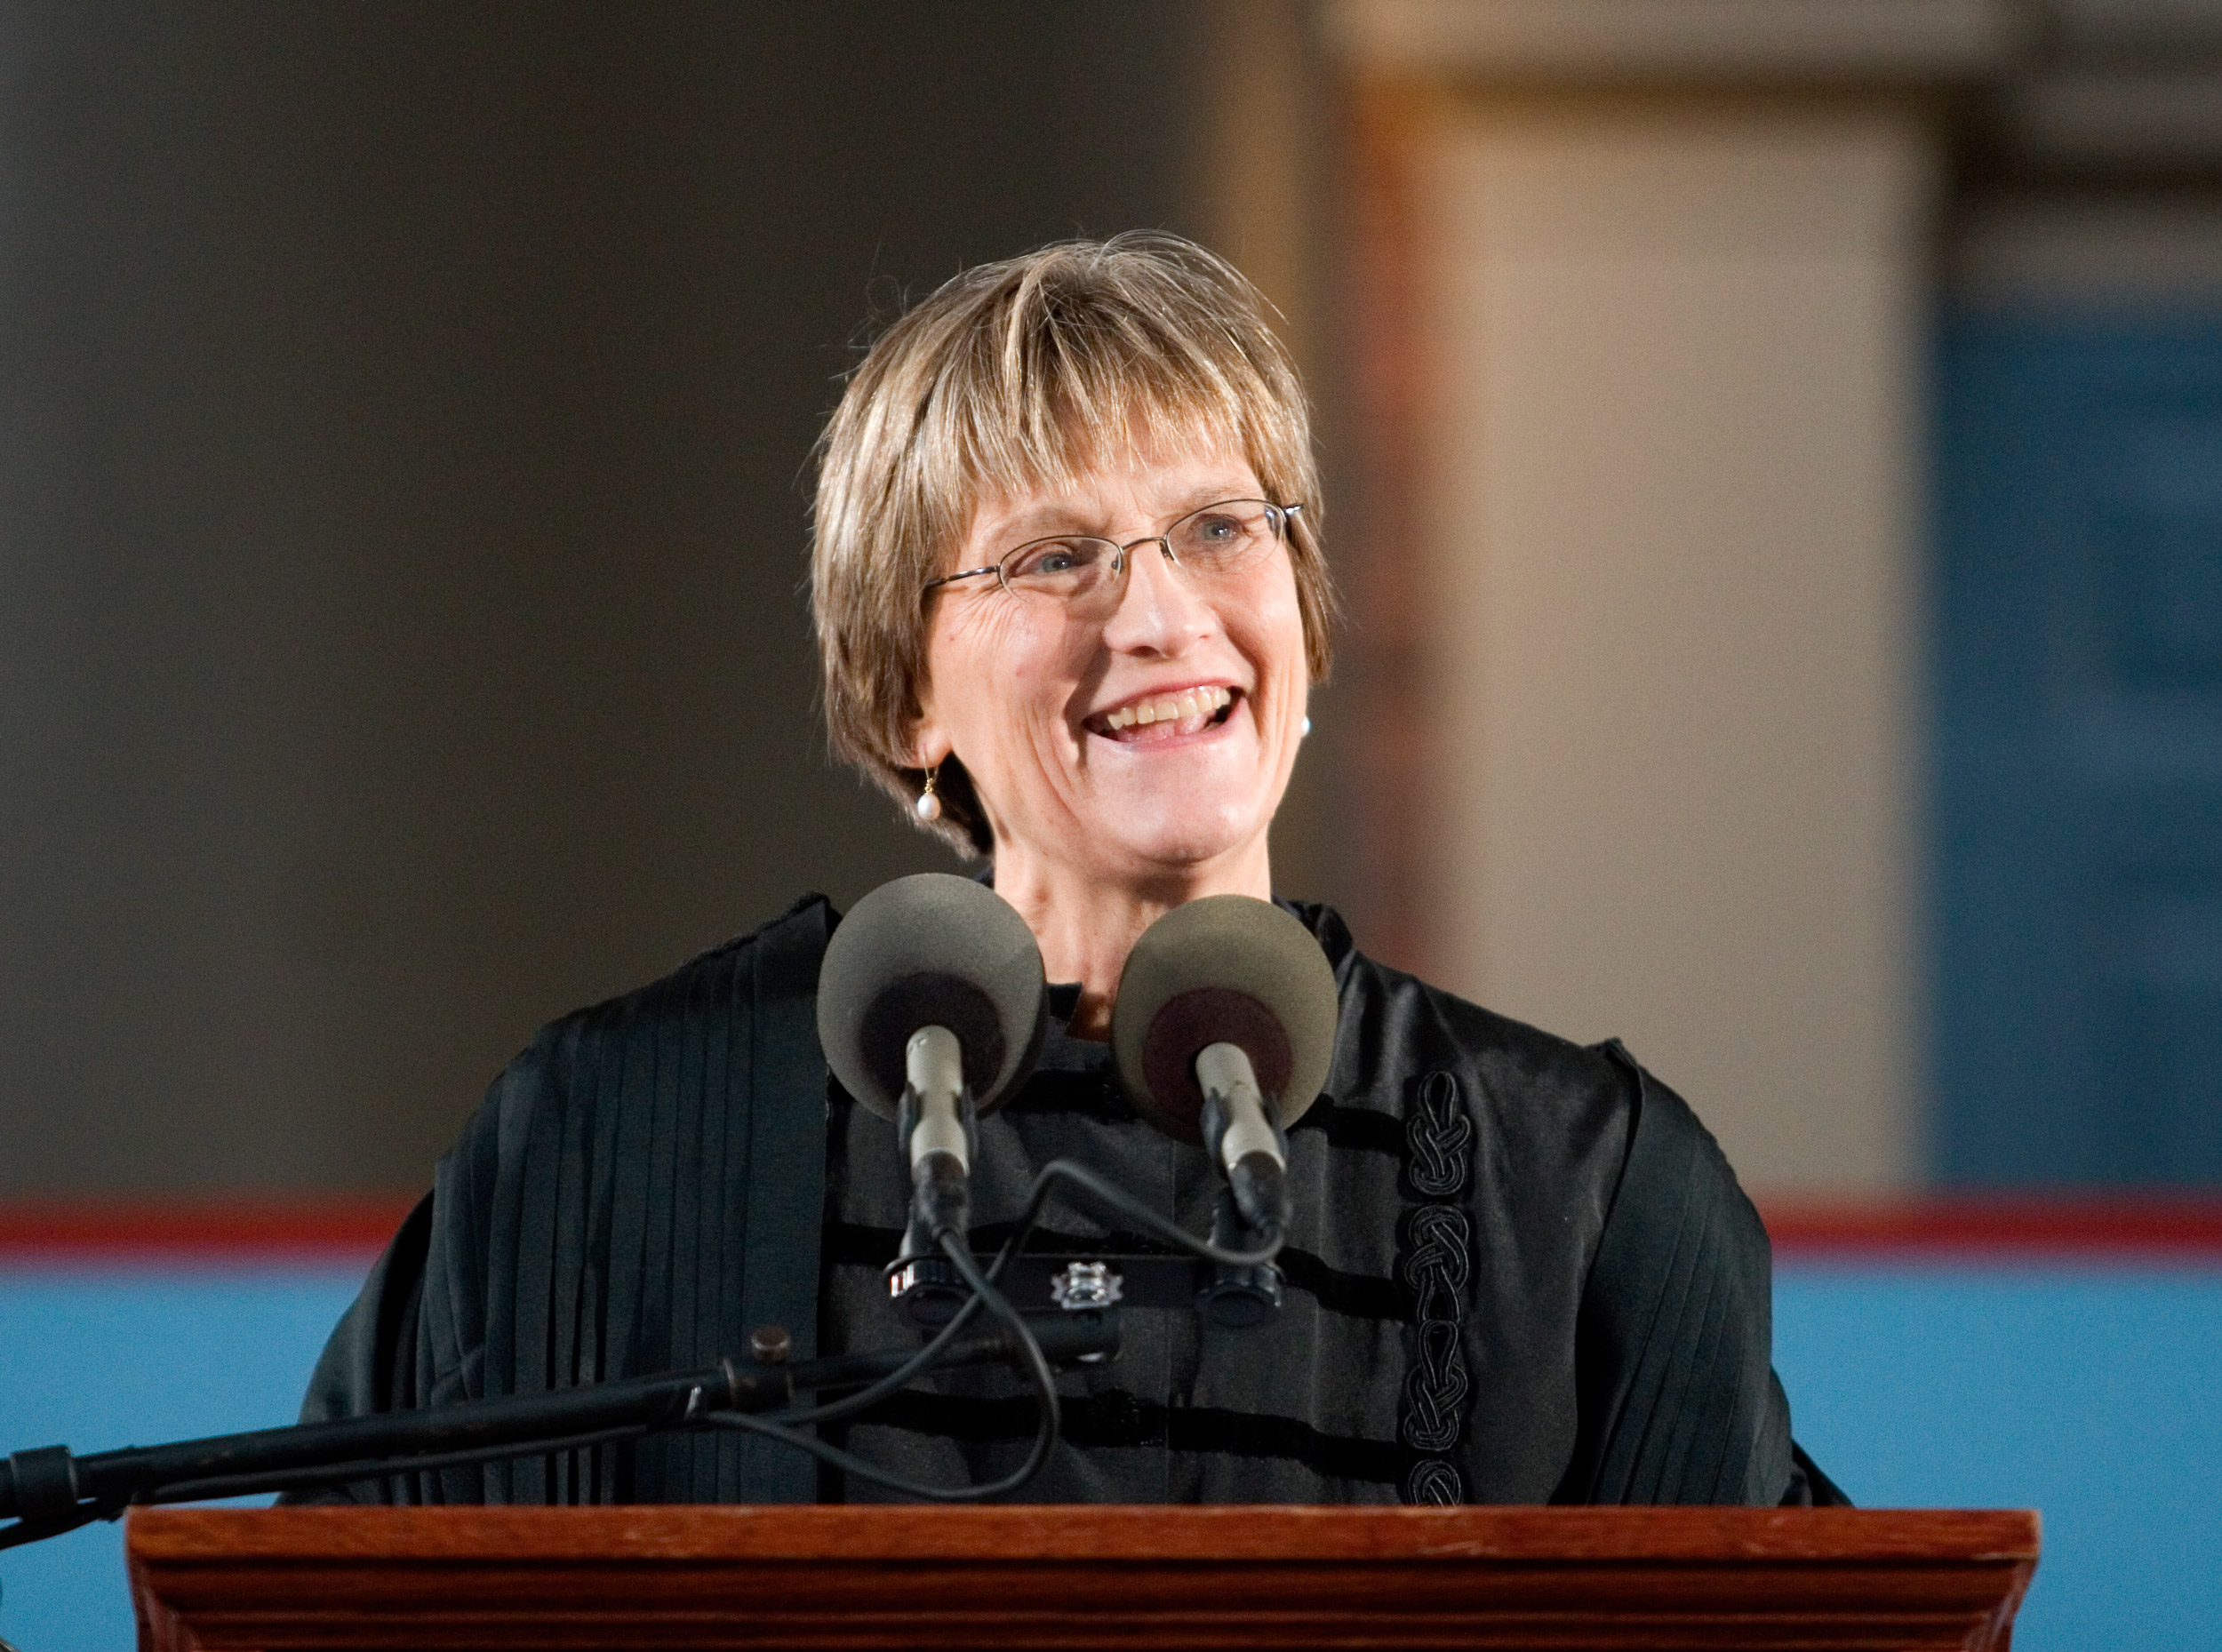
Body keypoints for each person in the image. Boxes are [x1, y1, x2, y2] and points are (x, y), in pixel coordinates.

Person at [289, 232, 1843, 1508]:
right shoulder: (605, 1144)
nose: (1160, 617)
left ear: (1302, 621)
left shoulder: (1584, 1193)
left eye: (1222, 528)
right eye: (1053, 556)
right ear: (905, 687)